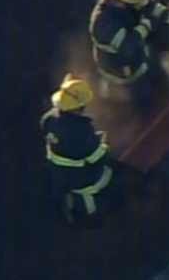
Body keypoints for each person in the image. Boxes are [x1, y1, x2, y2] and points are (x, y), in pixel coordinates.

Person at [41, 74, 122, 225]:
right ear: (78, 106)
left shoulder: (48, 118)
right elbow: (96, 157)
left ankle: (65, 202)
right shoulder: (81, 129)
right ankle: (88, 218)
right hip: (81, 178)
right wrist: (104, 142)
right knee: (105, 180)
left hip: (57, 172)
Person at [90, 0, 169, 110]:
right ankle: (147, 114)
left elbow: (147, 4)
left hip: (142, 55)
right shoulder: (103, 23)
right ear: (116, 0)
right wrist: (145, 26)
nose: (135, 3)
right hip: (124, 70)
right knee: (143, 96)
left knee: (161, 76)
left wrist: (167, 15)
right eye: (130, 2)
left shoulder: (129, 0)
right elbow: (128, 45)